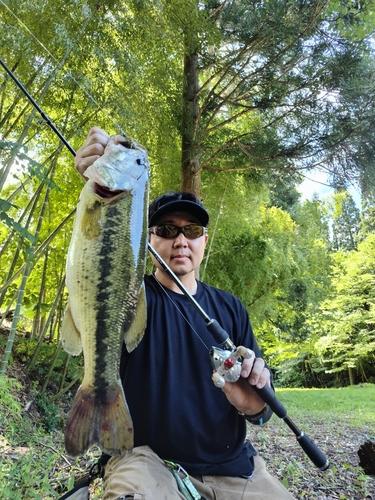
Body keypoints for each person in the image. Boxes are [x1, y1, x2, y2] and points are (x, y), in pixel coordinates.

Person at [74, 127, 295, 500]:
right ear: (147, 236)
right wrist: (94, 180)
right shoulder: (132, 293)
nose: (180, 240)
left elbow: (260, 412)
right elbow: (96, 263)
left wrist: (249, 399)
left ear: (204, 241)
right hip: (145, 462)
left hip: (234, 469)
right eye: (166, 228)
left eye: (191, 230)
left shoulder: (231, 308)